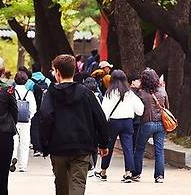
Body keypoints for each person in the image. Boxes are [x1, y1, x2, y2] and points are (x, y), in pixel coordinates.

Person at [40, 54, 109, 195]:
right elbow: (100, 119)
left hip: (58, 146)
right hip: (82, 146)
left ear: (57, 72)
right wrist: (103, 144)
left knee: (61, 185)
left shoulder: (50, 94)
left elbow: (45, 118)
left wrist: (44, 144)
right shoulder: (86, 94)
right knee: (78, 184)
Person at [96, 70, 144, 183]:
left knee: (108, 147)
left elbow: (104, 112)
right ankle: (128, 173)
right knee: (128, 148)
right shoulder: (130, 94)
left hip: (113, 123)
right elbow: (140, 110)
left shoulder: (109, 93)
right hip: (128, 122)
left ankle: (103, 172)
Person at [132, 68, 169, 183]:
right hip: (161, 124)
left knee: (139, 149)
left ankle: (136, 173)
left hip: (146, 123)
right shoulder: (162, 91)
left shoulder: (141, 93)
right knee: (159, 150)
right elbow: (167, 106)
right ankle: (159, 176)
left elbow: (137, 110)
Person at [12, 70, 37, 173]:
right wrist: (29, 117)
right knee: (24, 143)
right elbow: (33, 109)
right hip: (25, 122)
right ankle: (23, 166)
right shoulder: (29, 93)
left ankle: (12, 158)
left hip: (13, 121)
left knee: (13, 141)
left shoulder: (11, 91)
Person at [27, 62, 50, 157]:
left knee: (35, 128)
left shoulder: (30, 82)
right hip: (46, 108)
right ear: (41, 69)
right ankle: (45, 146)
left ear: (32, 70)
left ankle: (37, 148)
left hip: (34, 108)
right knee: (45, 127)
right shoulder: (47, 80)